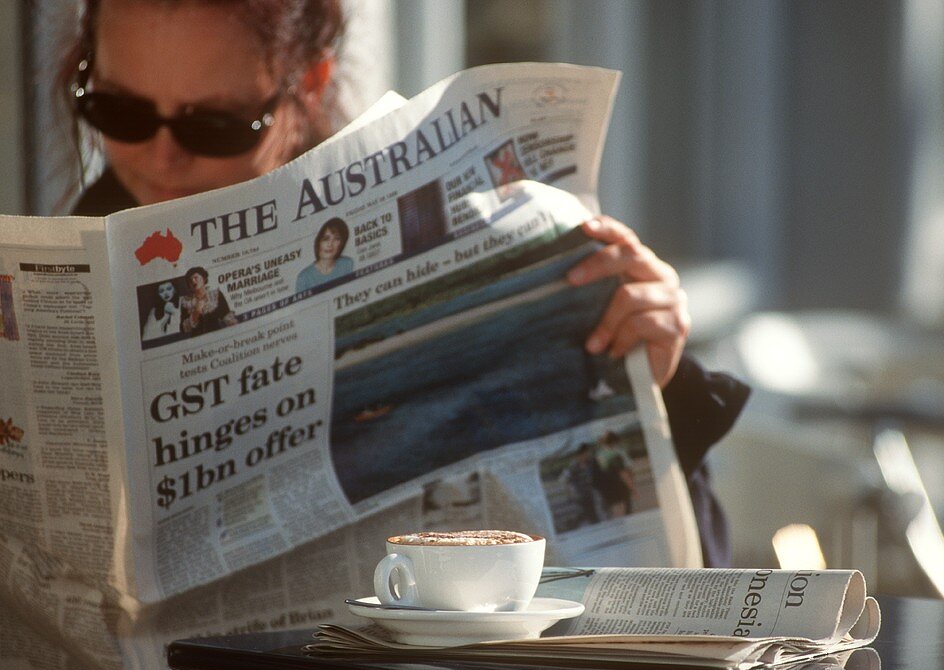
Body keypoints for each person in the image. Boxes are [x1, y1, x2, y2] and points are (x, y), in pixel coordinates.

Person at [59, 0, 748, 567]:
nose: (161, 153)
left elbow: (691, 594)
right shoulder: (55, 275)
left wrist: (656, 386)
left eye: (214, 123)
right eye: (119, 111)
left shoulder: (458, 234)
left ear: (312, 81)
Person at [297, 216, 354, 291]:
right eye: (326, 239)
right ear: (318, 242)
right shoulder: (304, 277)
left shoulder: (347, 264)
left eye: (336, 239)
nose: (330, 244)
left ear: (342, 243)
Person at [179, 265, 236, 335]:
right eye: (190, 280)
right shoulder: (186, 302)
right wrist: (196, 312)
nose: (193, 281)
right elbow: (183, 329)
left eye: (195, 278)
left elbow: (227, 316)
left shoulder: (215, 295)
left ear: (204, 279)